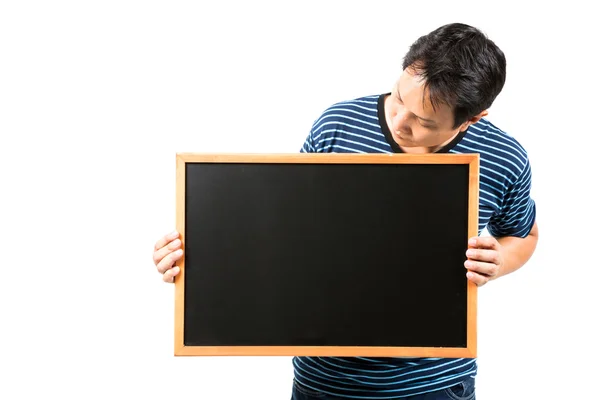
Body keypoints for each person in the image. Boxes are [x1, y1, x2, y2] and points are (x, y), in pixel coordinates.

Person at [152, 22, 538, 400]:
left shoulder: (504, 157)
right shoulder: (337, 126)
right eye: (399, 97)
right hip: (324, 381)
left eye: (423, 121)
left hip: (435, 385)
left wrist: (499, 259)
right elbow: (284, 234)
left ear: (472, 118)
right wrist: (193, 261)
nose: (400, 121)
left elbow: (523, 235)